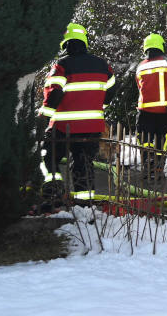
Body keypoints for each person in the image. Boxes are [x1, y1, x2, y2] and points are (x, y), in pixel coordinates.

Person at [39, 23, 115, 204]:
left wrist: (44, 116)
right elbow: (111, 92)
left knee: (48, 157)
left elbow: (54, 92)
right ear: (84, 42)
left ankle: (54, 192)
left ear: (65, 43)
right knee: (84, 165)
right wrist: (97, 103)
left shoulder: (62, 65)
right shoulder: (103, 65)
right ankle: (85, 205)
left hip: (63, 126)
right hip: (92, 126)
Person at [135, 33, 167, 180]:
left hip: (144, 111)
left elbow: (139, 87)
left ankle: (146, 167)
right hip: (164, 110)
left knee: (145, 139)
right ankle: (158, 169)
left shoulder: (140, 66)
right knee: (162, 140)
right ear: (161, 46)